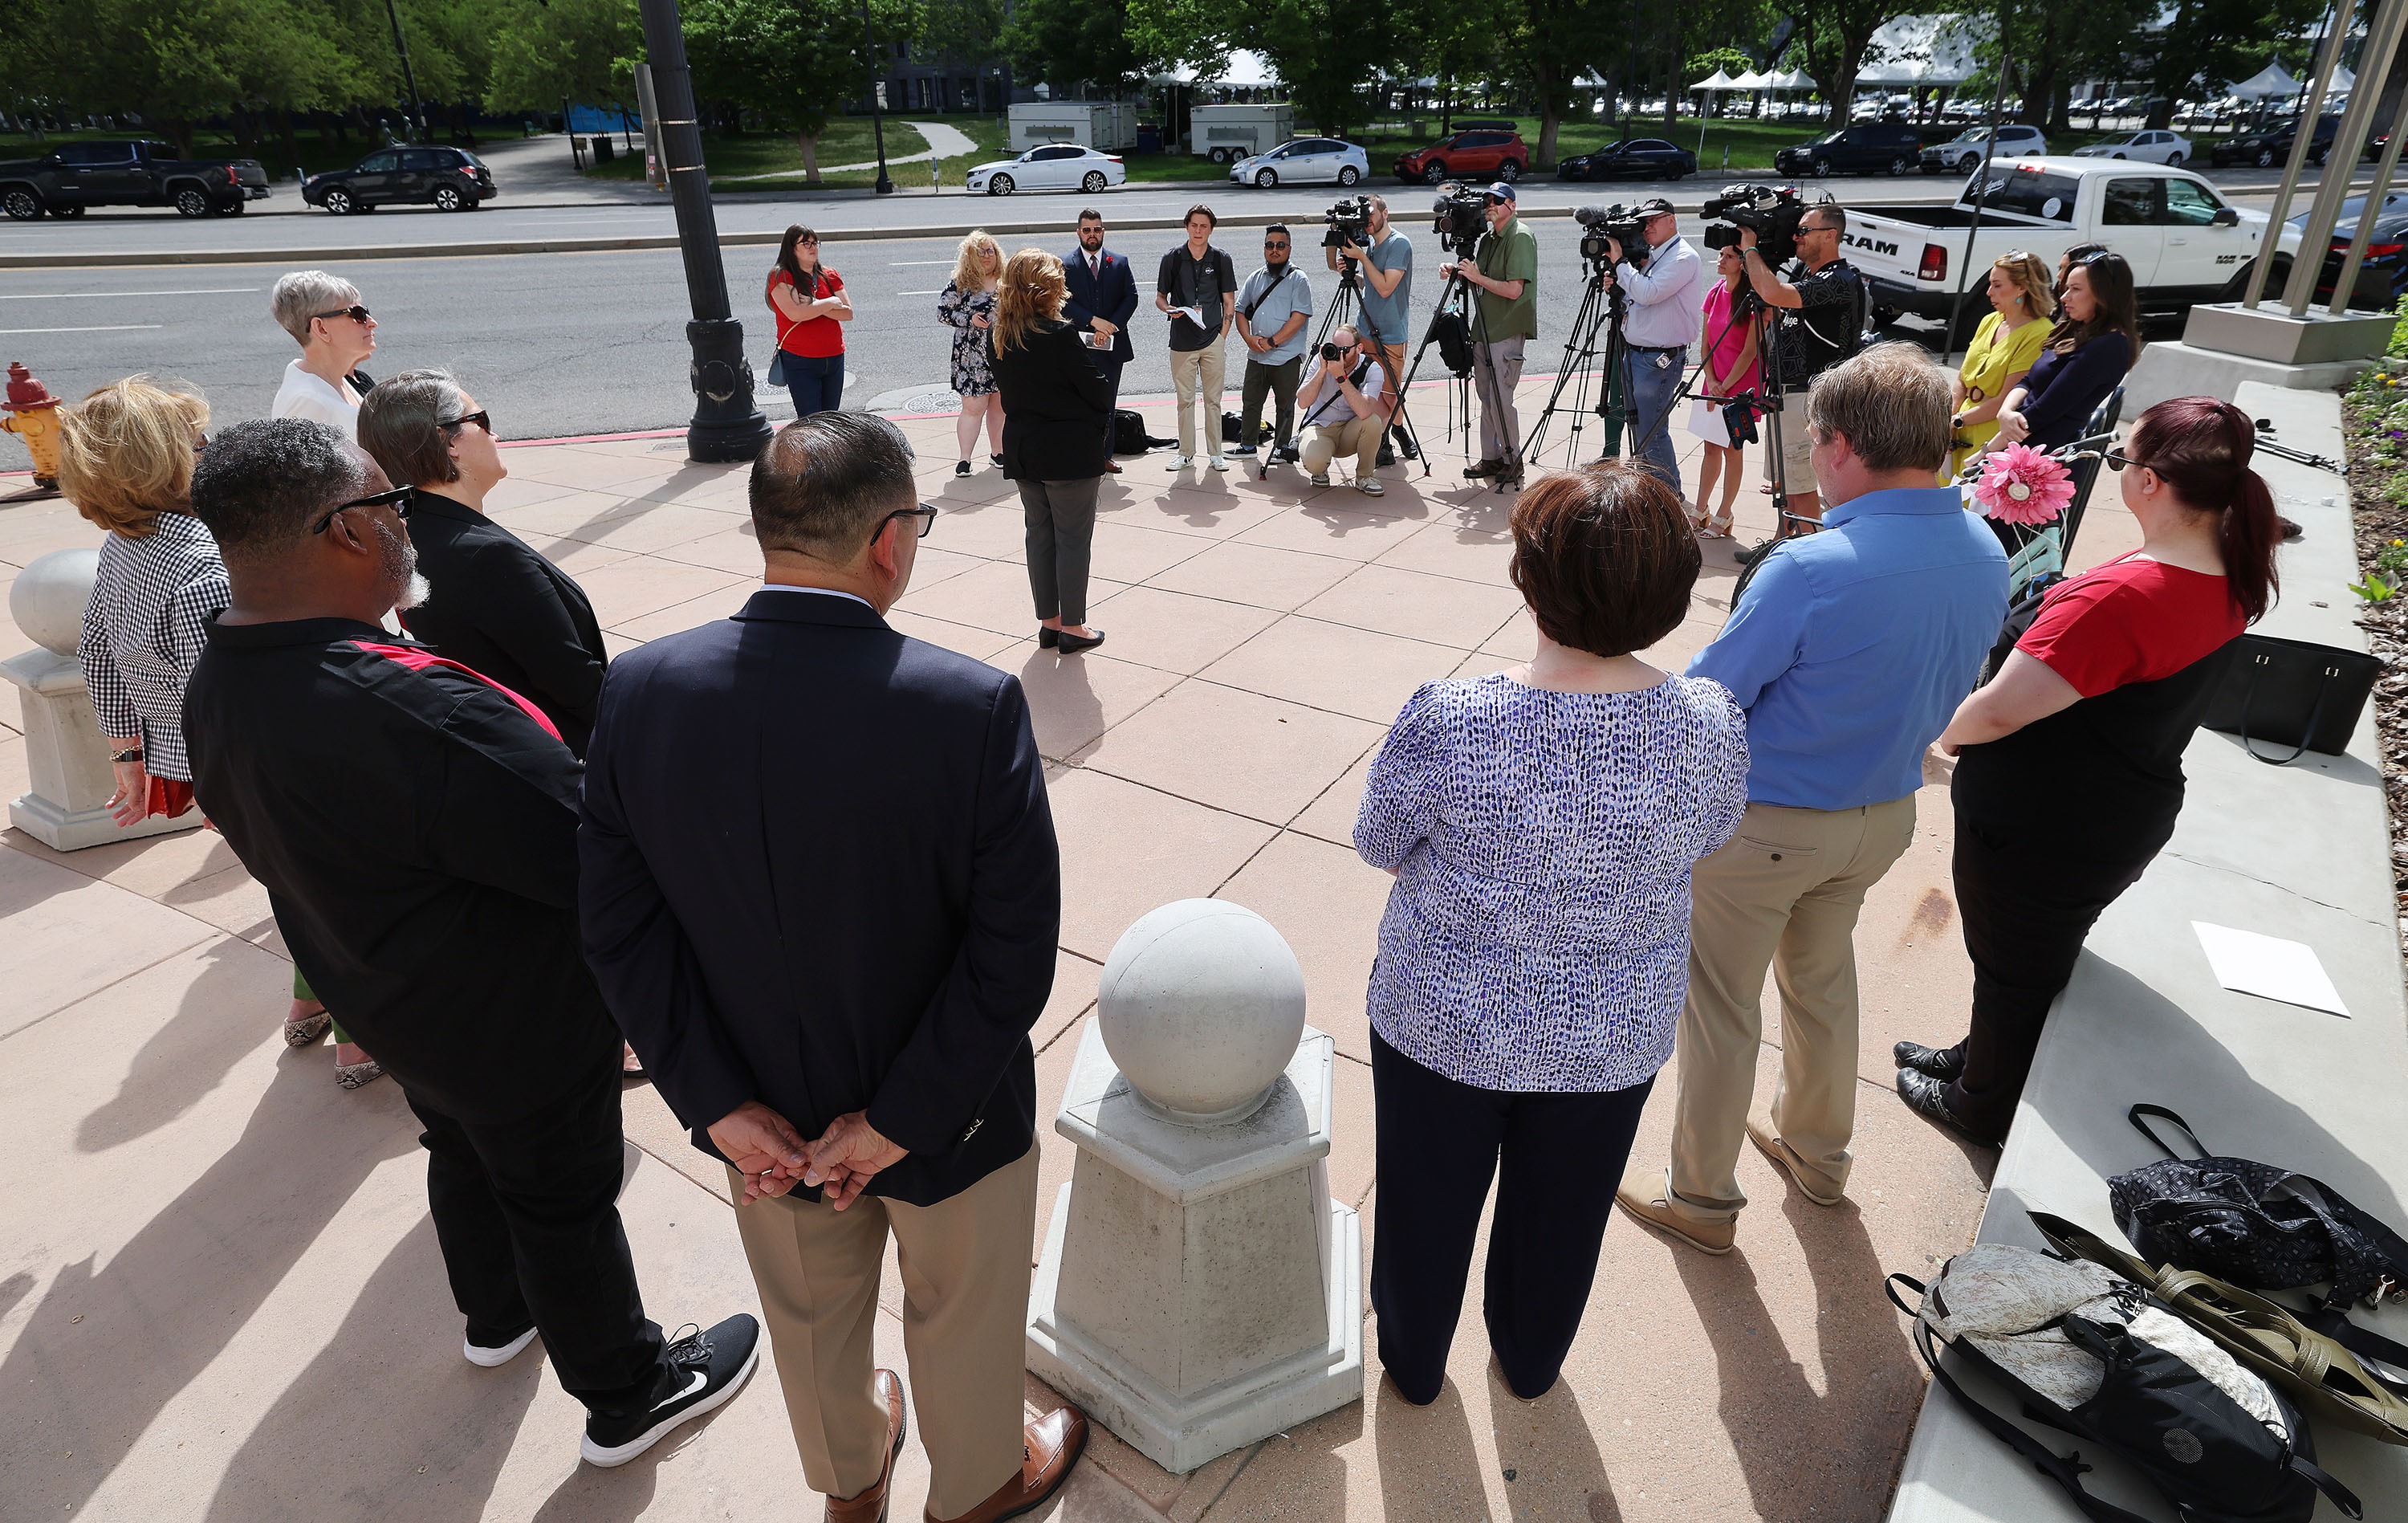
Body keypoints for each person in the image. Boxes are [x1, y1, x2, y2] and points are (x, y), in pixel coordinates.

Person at [181, 417, 758, 1467]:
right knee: (560, 1194)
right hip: (516, 1019)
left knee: (458, 1144)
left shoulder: (220, 681)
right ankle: (628, 1391)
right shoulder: (414, 709)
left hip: (394, 1001)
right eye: (390, 504)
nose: (408, 524)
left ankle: (497, 1318)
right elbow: (602, 856)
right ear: (347, 532)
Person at [576, 411, 1088, 1523]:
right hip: (948, 1115)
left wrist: (717, 1104)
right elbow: (1011, 955)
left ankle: (851, 1485)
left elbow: (619, 931)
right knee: (961, 1308)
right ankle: (975, 1487)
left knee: (809, 1320)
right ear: (890, 541)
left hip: (758, 1108)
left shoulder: (643, 690)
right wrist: (899, 1119)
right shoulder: (969, 705)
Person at [1356, 462, 1748, 1405]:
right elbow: (1717, 831)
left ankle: (1412, 1366)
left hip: (1441, 1021)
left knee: (1424, 1208)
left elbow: (1378, 841)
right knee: (1563, 1216)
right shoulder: (1707, 721)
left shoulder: (1453, 719)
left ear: (1531, 580)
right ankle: (1529, 1363)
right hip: (1611, 1034)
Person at [1613, 343, 2008, 1257]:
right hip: (1884, 817)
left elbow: (1709, 701)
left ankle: (1703, 1197)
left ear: (1838, 446)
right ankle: (1820, 1155)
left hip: (1767, 826)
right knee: (1824, 984)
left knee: (1721, 1010)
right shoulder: (1985, 545)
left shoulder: (1812, 567)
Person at [1897, 397, 2280, 1144]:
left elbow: (2000, 712)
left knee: (2012, 969)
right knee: (2021, 961)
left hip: (2043, 822)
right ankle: (1978, 1058)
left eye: (2124, 461)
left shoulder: (2123, 597)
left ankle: (1981, 1101)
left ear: (2156, 483)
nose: (2119, 473)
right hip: (2110, 808)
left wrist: (1936, 737)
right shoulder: (2228, 567)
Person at [357, 371, 608, 755]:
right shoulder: (485, 556)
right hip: (565, 756)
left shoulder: (412, 534)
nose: (494, 435)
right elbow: (575, 685)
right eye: (482, 421)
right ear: (449, 440)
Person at [990, 249, 1114, 654]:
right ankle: (1073, 627)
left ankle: (1050, 622)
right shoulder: (1059, 335)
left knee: (1039, 536)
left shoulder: (1000, 335)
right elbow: (1096, 392)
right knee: (1073, 539)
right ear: (1047, 288)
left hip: (1025, 449)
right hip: (1067, 452)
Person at [1731, 203, 1865, 564]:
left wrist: (1750, 249)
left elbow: (1775, 295)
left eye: (1804, 231)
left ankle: (1807, 556)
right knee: (1787, 481)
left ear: (1831, 235)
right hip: (1787, 391)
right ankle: (1781, 542)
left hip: (1811, 393)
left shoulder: (1839, 280)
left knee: (1802, 483)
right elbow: (1769, 301)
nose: (1797, 237)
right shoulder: (1807, 274)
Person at [1600, 198, 1702, 494]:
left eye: (1653, 220)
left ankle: (1670, 496)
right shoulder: (1656, 255)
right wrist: (1620, 288)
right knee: (1639, 428)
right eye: (1644, 222)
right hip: (1637, 353)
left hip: (1659, 359)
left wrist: (1620, 263)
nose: (1647, 228)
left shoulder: (1684, 257)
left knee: (1652, 433)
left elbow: (1649, 293)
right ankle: (1650, 492)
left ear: (1671, 219)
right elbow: (1638, 298)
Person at [1993, 250, 2138, 455]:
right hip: (2017, 446)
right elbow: (2028, 380)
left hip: (2043, 462)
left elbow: (2042, 413)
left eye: (2075, 289)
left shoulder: (2108, 347)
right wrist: (2005, 412)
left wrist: (1985, 452)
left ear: (2105, 294)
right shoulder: (2074, 329)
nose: (2064, 297)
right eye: (2066, 288)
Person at [1442, 183, 1539, 485]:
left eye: (1497, 200)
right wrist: (1458, 273)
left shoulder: (1520, 236)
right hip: (1484, 328)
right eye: (1487, 200)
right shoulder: (1489, 239)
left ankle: (1513, 459)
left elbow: (1514, 289)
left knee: (1500, 398)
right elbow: (1478, 281)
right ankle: (1491, 457)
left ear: (1512, 204)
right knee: (1486, 396)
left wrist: (1477, 277)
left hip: (1506, 328)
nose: (1490, 205)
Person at [1942, 251, 2056, 482]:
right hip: (1956, 428)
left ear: (2021, 288)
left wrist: (1956, 421)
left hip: (1991, 436)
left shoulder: (2040, 332)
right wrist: (1950, 420)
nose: (1988, 292)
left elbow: (2007, 399)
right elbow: (1963, 379)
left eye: (1996, 285)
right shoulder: (1990, 320)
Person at [1327, 193, 1413, 445]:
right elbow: (1372, 286)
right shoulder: (1372, 244)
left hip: (1391, 332)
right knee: (1372, 389)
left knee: (1391, 394)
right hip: (1366, 327)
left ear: (1385, 214)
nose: (1368, 220)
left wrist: (1362, 258)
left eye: (1371, 213)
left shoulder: (1399, 244)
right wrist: (1352, 274)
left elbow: (1386, 287)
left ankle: (1396, 429)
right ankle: (1382, 441)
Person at [1156, 205, 1238, 471]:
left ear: (1211, 229)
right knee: (1185, 401)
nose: (1198, 231)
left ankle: (1216, 454)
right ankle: (1186, 453)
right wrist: (1169, 309)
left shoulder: (1221, 259)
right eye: (1194, 225)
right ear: (1187, 226)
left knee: (1214, 400)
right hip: (1182, 341)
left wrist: (1222, 338)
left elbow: (1229, 302)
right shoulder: (1173, 258)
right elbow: (1160, 298)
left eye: (1204, 226)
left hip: (1212, 339)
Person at [1688, 243, 1761, 538]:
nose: (1721, 260)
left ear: (1743, 264)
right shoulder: (1715, 292)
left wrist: (1725, 386)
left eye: (1729, 256)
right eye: (1721, 255)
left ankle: (1725, 512)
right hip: (1714, 380)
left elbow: (1749, 352)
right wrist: (1712, 380)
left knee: (1733, 448)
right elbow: (1706, 345)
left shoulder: (1752, 300)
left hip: (1739, 385)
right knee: (1710, 446)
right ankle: (1701, 508)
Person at [1063, 209, 1139, 474]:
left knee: (1107, 403)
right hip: (1077, 347)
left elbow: (1131, 297)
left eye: (1097, 229)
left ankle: (1105, 456)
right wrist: (1093, 321)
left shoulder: (1119, 262)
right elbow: (1063, 302)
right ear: (1078, 233)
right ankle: (1078, 454)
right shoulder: (1065, 264)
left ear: (1103, 231)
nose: (1092, 234)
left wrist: (1110, 327)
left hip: (1110, 348)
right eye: (1087, 230)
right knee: (1077, 402)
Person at [1232, 223, 1314, 465]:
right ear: (1264, 248)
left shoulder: (1299, 279)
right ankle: (1247, 445)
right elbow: (1239, 310)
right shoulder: (1255, 277)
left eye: (1280, 245)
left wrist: (1271, 342)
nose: (1274, 250)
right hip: (1256, 355)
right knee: (1251, 401)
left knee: (1284, 405)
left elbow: (1299, 317)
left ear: (1289, 248)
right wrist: (1249, 339)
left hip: (1285, 356)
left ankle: (1281, 448)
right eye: (1270, 245)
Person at [269, 271, 376, 438]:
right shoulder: (307, 402)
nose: (372, 323)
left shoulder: (334, 380)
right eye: (357, 314)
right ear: (321, 328)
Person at [938, 231, 1007, 476]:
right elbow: (942, 312)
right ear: (970, 256)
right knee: (974, 407)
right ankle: (964, 459)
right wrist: (969, 319)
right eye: (981, 251)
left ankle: (998, 452)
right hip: (971, 355)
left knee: (1000, 406)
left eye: (991, 251)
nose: (987, 256)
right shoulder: (961, 283)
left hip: (1001, 350)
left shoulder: (1005, 280)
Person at [767, 225, 852, 417]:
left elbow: (848, 313)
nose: (813, 247)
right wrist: (830, 304)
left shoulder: (829, 274)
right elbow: (796, 314)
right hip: (800, 360)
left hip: (835, 357)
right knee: (810, 422)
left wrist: (815, 304)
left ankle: (828, 450)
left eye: (815, 243)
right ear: (792, 248)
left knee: (830, 420)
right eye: (806, 243)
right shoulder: (782, 276)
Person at [1294, 324, 1389, 495]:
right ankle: (1320, 469)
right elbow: (1302, 402)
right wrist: (1322, 371)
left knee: (1373, 421)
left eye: (1344, 350)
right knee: (1315, 462)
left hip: (1350, 431)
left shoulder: (1372, 369)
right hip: (1320, 427)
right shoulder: (1320, 361)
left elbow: (1365, 411)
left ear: (1359, 348)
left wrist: (1341, 377)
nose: (1339, 355)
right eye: (1335, 348)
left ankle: (1365, 477)